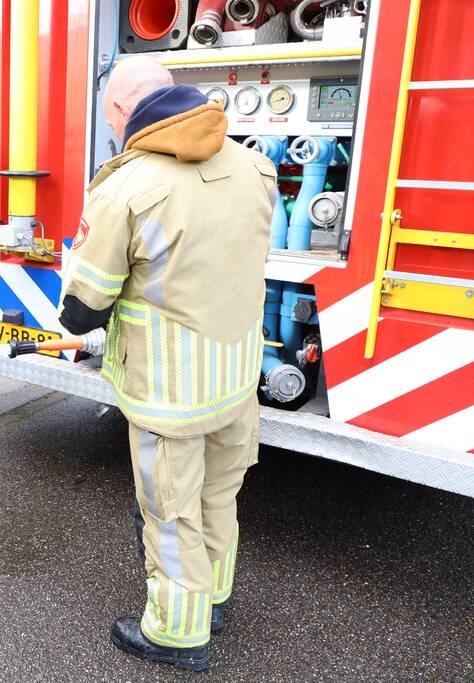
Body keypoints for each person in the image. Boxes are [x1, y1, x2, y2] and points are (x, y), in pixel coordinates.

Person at [58, 55, 275, 672]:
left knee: (172, 514)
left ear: (120, 109)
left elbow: (82, 310)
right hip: (235, 381)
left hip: (170, 393)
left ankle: (178, 633)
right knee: (219, 496)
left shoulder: (126, 187)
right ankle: (213, 601)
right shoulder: (254, 166)